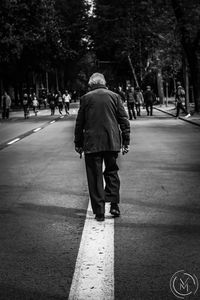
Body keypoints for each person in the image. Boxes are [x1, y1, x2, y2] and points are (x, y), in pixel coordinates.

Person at [74, 73, 130, 222]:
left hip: (92, 143)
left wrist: (78, 143)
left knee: (94, 176)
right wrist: (126, 141)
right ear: (104, 83)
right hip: (112, 141)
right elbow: (123, 120)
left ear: (91, 84)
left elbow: (80, 123)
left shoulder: (86, 98)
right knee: (112, 172)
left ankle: (99, 212)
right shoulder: (115, 96)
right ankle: (114, 204)